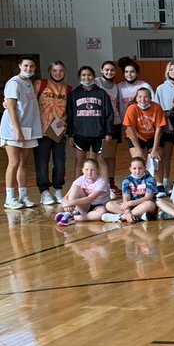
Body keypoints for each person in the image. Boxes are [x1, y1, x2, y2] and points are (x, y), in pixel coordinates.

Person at [66, 65, 114, 183]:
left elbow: (109, 114)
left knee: (101, 161)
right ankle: (77, 188)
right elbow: (70, 115)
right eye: (83, 75)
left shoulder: (102, 93)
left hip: (99, 133)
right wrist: (70, 134)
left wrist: (108, 132)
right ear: (79, 77)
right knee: (80, 162)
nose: (86, 77)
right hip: (80, 133)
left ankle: (105, 188)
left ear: (93, 76)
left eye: (89, 75)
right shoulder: (74, 94)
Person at [34, 60, 70, 205]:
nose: (58, 73)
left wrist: (65, 120)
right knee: (42, 163)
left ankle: (58, 189)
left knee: (60, 163)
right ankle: (44, 191)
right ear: (49, 71)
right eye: (55, 70)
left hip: (58, 131)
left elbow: (70, 110)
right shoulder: (40, 84)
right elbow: (27, 102)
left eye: (60, 70)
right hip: (41, 131)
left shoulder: (67, 89)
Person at [123, 85, 167, 191]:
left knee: (156, 158)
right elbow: (130, 131)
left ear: (150, 98)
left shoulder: (157, 107)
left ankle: (159, 185)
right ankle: (139, 184)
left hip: (153, 136)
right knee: (137, 159)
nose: (143, 99)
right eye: (140, 97)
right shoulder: (132, 108)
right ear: (136, 98)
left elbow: (159, 130)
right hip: (137, 137)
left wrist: (155, 150)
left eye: (146, 97)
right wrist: (138, 150)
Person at [54, 156, 111, 226]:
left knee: (101, 214)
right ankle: (69, 213)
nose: (89, 172)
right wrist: (65, 204)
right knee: (76, 188)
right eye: (86, 169)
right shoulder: (80, 179)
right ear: (82, 170)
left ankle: (74, 218)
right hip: (85, 206)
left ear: (98, 170)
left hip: (99, 206)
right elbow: (67, 195)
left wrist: (70, 203)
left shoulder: (101, 182)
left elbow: (90, 199)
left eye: (92, 170)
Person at [103, 155, 158, 223]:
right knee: (109, 205)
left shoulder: (150, 179)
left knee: (149, 204)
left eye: (140, 168)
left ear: (145, 168)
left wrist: (131, 203)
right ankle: (138, 216)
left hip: (145, 205)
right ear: (130, 169)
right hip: (132, 206)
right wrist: (127, 212)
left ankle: (120, 218)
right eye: (134, 168)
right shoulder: (126, 180)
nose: (137, 171)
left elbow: (148, 198)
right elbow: (126, 199)